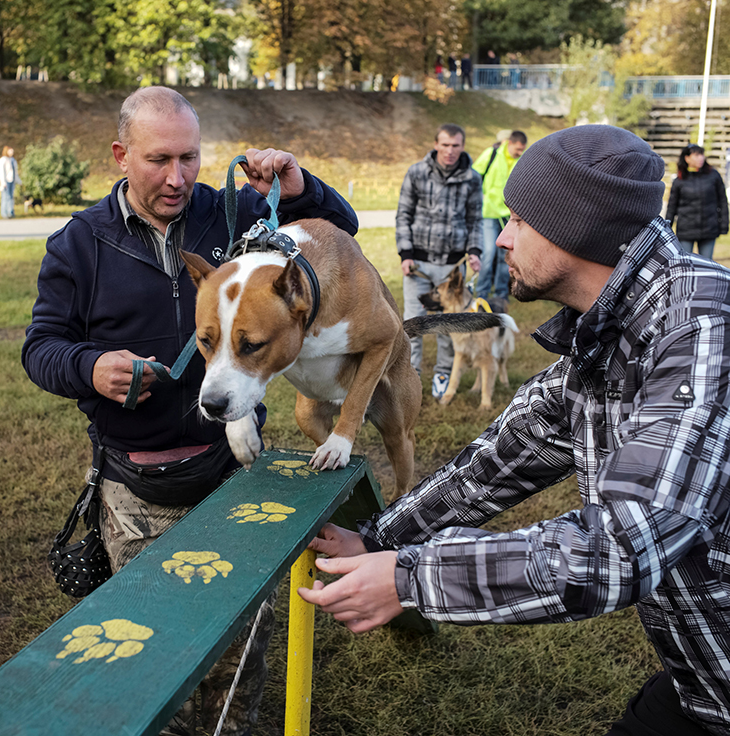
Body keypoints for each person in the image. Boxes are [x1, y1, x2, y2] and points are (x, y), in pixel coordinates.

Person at [299, 125, 730, 736]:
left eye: (518, 220)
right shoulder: (613, 327)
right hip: (704, 681)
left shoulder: (702, 326)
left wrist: (410, 577)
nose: (501, 239)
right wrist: (378, 540)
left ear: (572, 228)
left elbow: (622, 548)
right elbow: (505, 456)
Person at [21, 86, 357, 736]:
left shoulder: (229, 217)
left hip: (235, 479)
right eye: (158, 159)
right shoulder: (80, 244)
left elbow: (338, 236)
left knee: (238, 655)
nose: (177, 177)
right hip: (136, 490)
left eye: (189, 158)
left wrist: (298, 187)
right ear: (121, 155)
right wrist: (90, 368)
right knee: (157, 655)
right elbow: (41, 348)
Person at [396, 123, 482, 400]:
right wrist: (405, 254)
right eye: (445, 145)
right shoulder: (416, 172)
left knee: (448, 324)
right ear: (436, 145)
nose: (450, 151)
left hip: (451, 267)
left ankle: (444, 372)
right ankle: (410, 375)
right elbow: (403, 215)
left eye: (455, 145)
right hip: (418, 265)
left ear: (462, 146)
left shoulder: (472, 178)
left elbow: (475, 220)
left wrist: (475, 251)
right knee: (413, 323)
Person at [469, 129, 527, 308]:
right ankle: (483, 293)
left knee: (506, 256)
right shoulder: (492, 154)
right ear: (509, 143)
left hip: (508, 216)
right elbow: (473, 176)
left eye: (522, 150)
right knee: (488, 254)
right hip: (487, 214)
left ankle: (501, 294)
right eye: (517, 149)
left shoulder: (521, 162)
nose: (520, 152)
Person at [665, 143, 728, 260]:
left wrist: (724, 224)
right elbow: (672, 206)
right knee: (684, 264)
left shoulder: (713, 176)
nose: (701, 158)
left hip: (709, 229)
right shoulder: (679, 180)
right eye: (696, 155)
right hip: (686, 230)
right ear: (687, 158)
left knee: (707, 264)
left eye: (702, 155)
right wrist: (667, 227)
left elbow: (722, 201)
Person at [0, 146, 20, 218]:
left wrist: (19, 181)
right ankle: (4, 213)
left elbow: (15, 172)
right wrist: (3, 182)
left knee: (11, 197)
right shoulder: (3, 160)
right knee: (5, 197)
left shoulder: (13, 160)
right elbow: (1, 172)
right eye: (10, 151)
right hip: (5, 181)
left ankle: (11, 212)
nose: (12, 152)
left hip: (12, 181)